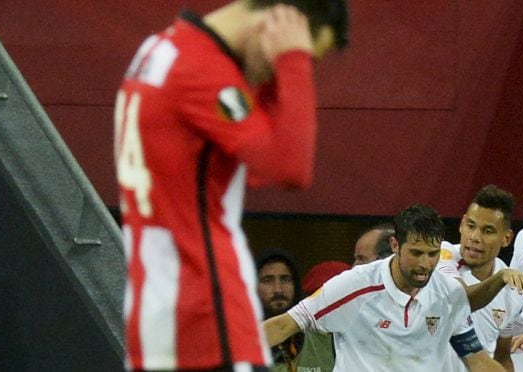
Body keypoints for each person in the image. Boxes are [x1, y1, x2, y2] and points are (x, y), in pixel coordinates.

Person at [114, 0, 349, 369]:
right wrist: (293, 64)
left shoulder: (158, 50)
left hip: (158, 298)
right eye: (306, 54)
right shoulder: (202, 69)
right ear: (280, 21)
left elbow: (254, 169)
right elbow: (291, 168)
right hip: (204, 301)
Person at [263, 204, 506, 371]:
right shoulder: (354, 286)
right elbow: (284, 324)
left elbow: (477, 360)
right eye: (416, 253)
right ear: (395, 245)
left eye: (432, 254)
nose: (425, 264)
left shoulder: (449, 293)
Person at [436, 185, 523, 371]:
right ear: (461, 225)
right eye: (470, 226)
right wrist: (500, 278)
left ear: (506, 238)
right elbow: (462, 300)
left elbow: (502, 357)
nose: (475, 237)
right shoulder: (441, 256)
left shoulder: (512, 291)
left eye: (488, 231)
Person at [256, 249, 304, 371]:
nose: (278, 289)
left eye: (285, 279)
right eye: (268, 281)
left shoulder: (321, 339)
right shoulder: (239, 343)